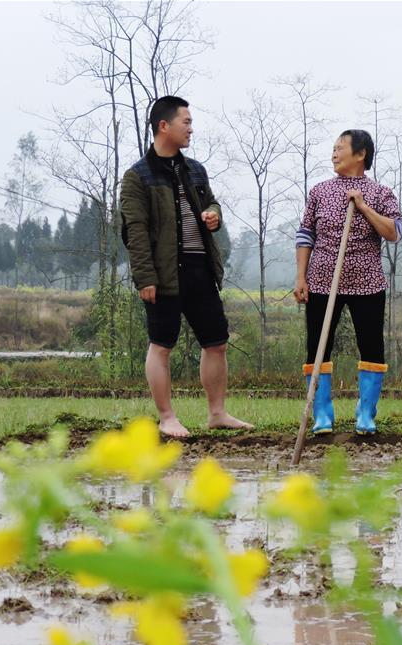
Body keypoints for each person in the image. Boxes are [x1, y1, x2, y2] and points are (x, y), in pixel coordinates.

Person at [121, 95, 251, 438]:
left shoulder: (195, 170)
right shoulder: (137, 176)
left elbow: (212, 202)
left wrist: (214, 215)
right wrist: (144, 277)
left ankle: (217, 413)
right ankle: (167, 418)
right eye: (186, 122)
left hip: (200, 268)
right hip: (163, 275)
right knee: (161, 345)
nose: (191, 129)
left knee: (216, 342)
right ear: (164, 126)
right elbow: (135, 231)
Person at [294, 129, 402, 435]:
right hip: (322, 281)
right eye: (333, 148)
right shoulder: (319, 191)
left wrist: (364, 206)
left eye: (340, 147)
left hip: (367, 283)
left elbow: (394, 232)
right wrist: (301, 276)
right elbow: (305, 235)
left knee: (371, 347)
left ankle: (366, 414)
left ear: (361, 154)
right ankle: (321, 414)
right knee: (318, 346)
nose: (334, 153)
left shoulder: (380, 193)